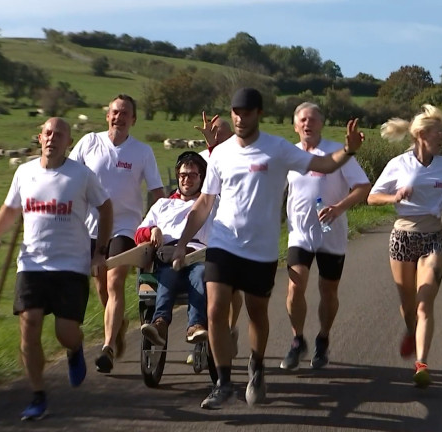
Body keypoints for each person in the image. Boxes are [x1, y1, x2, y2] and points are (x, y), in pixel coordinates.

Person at [172, 87, 365, 409]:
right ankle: (222, 382)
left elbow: (325, 164)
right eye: (235, 111)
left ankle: (256, 366)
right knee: (216, 309)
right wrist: (181, 244)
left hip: (260, 249)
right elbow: (205, 202)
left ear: (258, 114)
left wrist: (347, 150)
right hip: (223, 242)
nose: (239, 117)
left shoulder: (278, 149)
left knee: (257, 314)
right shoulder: (220, 153)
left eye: (246, 112)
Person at [0, 118, 113, 421]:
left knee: (65, 332)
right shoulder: (24, 172)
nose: (52, 139)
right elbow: (12, 208)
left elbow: (105, 207)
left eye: (59, 135)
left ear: (69, 141)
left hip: (71, 265)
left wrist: (100, 252)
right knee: (29, 325)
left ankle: (75, 348)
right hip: (31, 263)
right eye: (48, 133)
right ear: (40, 138)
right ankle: (38, 395)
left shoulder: (81, 175)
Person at [69, 94, 165, 374]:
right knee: (101, 286)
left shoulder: (142, 151)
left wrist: (162, 220)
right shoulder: (89, 143)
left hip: (125, 226)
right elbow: (71, 176)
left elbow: (157, 191)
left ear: (133, 119)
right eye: (114, 112)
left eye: (125, 114)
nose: (119, 117)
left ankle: (108, 347)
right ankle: (119, 323)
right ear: (107, 115)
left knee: (114, 283)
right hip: (90, 227)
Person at [367, 104, 442, 389]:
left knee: (424, 303)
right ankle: (410, 329)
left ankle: (422, 364)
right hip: (403, 236)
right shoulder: (399, 164)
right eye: (437, 131)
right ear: (421, 134)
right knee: (408, 305)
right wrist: (394, 196)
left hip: (433, 236)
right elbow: (372, 197)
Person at [281, 103, 371, 371]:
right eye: (302, 120)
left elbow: (363, 187)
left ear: (321, 123)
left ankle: (322, 339)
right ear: (295, 126)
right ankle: (297, 340)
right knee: (295, 287)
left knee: (328, 290)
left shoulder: (336, 152)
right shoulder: (290, 155)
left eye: (313, 119)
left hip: (331, 232)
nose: (308, 124)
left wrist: (340, 207)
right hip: (299, 233)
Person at [137, 151, 214, 346]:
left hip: (197, 255)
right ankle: (160, 322)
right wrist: (152, 230)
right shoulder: (163, 204)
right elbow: (138, 234)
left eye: (192, 175)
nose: (186, 179)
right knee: (167, 274)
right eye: (183, 175)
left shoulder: (210, 205)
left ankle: (195, 326)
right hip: (169, 257)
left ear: (201, 178)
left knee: (199, 274)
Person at [194, 112, 243, 357]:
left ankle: (230, 329)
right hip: (203, 232)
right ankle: (203, 339)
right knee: (204, 288)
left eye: (222, 136)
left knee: (233, 291)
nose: (217, 139)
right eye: (213, 135)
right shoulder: (201, 159)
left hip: (229, 234)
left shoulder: (238, 157)